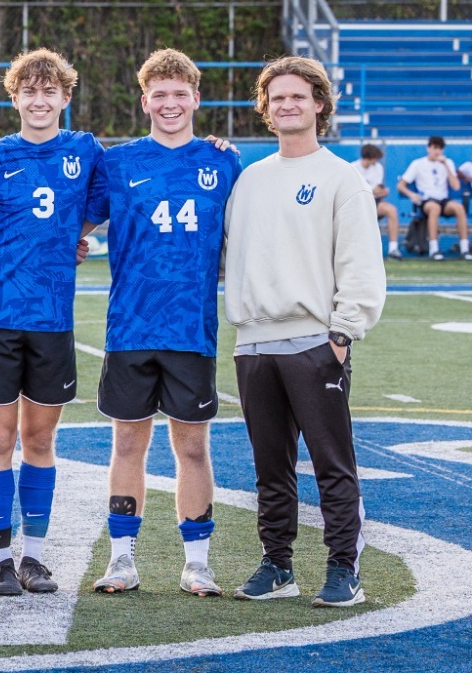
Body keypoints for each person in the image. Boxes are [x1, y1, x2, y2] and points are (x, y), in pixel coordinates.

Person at [225, 56, 386, 607]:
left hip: (316, 343)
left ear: (319, 104)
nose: (287, 104)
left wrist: (342, 333)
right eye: (277, 98)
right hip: (253, 344)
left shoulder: (341, 177)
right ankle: (277, 565)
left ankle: (344, 570)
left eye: (298, 96)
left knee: (331, 464)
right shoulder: (250, 179)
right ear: (265, 110)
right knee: (270, 468)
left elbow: (361, 263)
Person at [85, 48, 240, 598]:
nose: (170, 103)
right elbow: (71, 224)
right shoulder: (118, 162)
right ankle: (121, 559)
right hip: (131, 328)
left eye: (179, 94)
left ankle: (197, 563)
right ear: (144, 100)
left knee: (192, 448)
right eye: (160, 94)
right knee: (128, 444)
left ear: (196, 99)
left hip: (191, 331)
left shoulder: (224, 162)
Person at [0, 49, 104, 596]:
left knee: (40, 438)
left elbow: (98, 208)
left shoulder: (85, 149)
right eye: (29, 91)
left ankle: (34, 558)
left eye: (49, 91)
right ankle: (0, 559)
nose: (39, 101)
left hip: (51, 317)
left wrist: (69, 237)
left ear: (66, 97)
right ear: (14, 98)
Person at [395, 135, 467, 260]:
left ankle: (465, 249)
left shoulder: (448, 162)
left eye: (440, 148)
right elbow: (400, 185)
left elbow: (456, 186)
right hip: (426, 200)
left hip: (443, 200)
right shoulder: (418, 164)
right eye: (434, 148)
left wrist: (446, 165)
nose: (437, 151)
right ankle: (434, 249)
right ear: (428, 148)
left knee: (459, 208)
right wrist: (412, 194)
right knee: (434, 208)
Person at [351, 143, 400, 258]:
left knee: (392, 210)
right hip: (357, 203)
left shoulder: (378, 167)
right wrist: (372, 191)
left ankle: (393, 249)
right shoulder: (353, 168)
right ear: (369, 157)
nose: (376, 161)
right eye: (375, 158)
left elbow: (377, 189)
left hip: (373, 201)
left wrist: (382, 192)